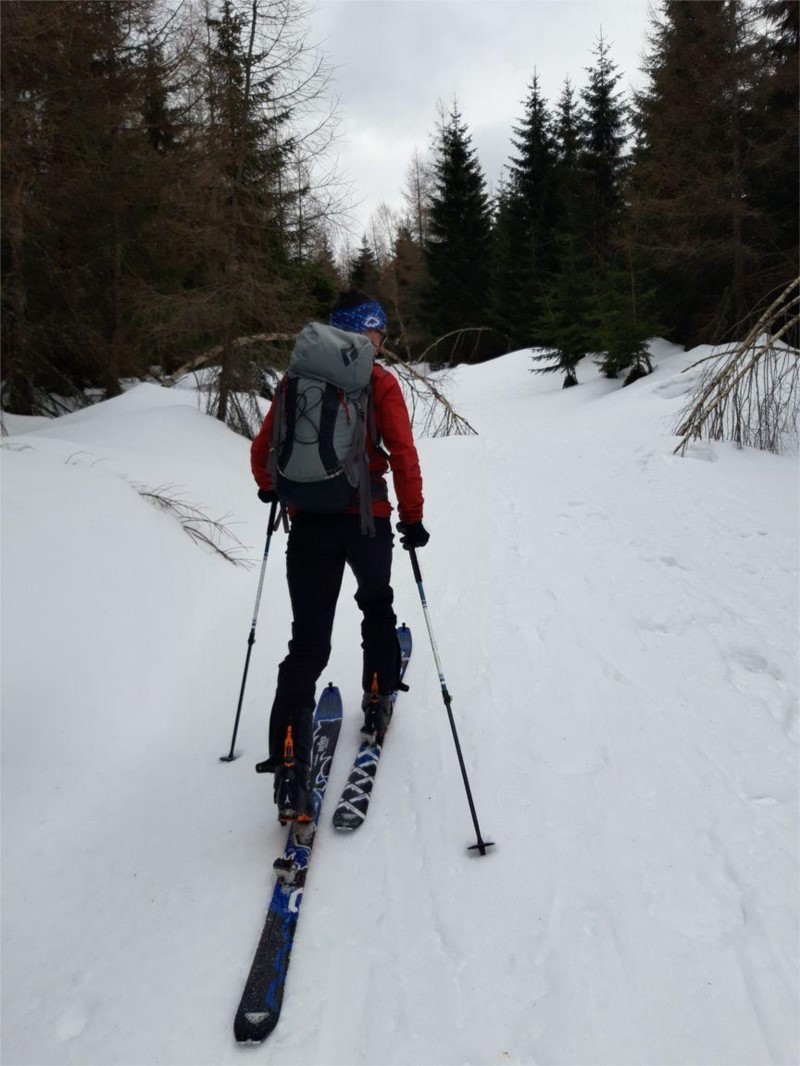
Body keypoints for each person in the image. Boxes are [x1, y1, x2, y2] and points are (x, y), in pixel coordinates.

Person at [250, 290, 429, 823]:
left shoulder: (295, 381)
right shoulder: (378, 382)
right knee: (376, 603)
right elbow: (403, 452)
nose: (381, 343)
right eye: (380, 334)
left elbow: (263, 454)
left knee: (307, 644)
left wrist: (271, 489)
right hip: (367, 520)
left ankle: (289, 765)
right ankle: (377, 693)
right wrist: (412, 517)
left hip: (307, 527)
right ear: (368, 333)